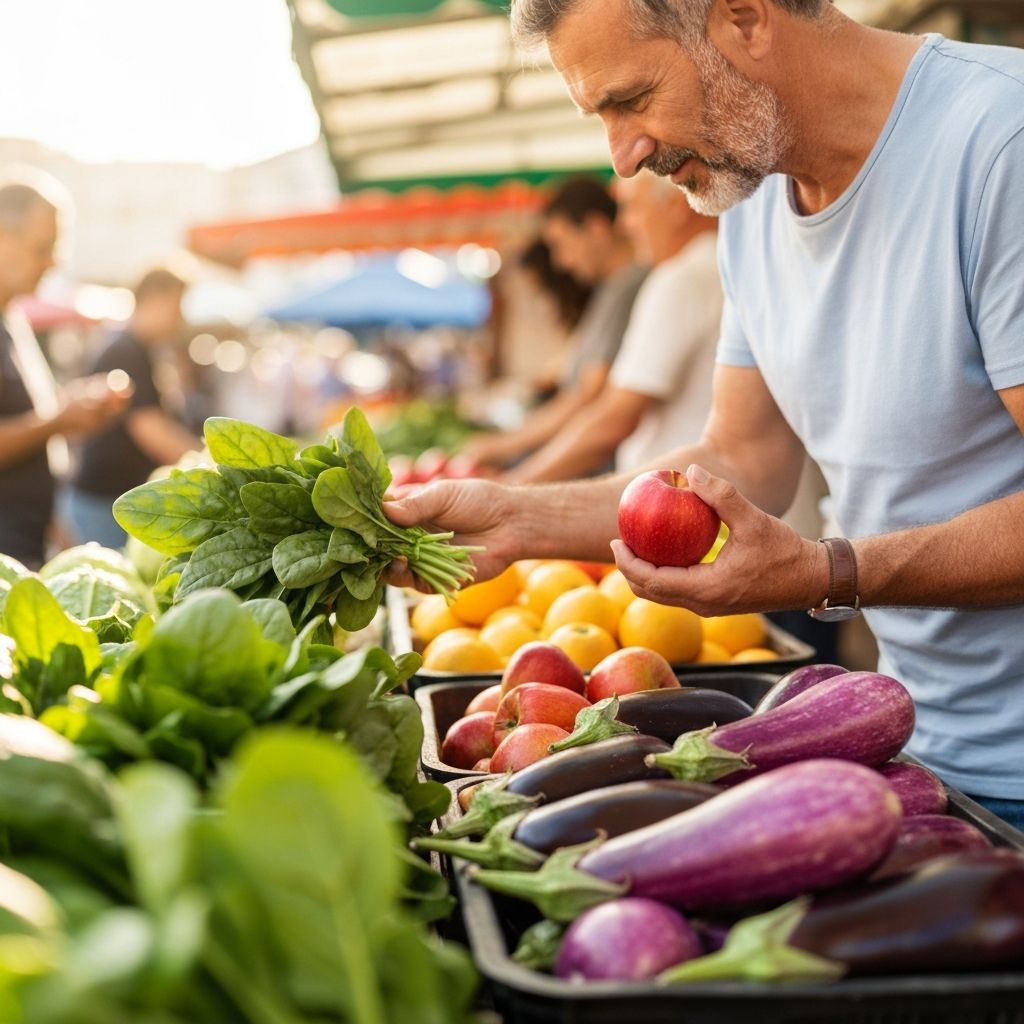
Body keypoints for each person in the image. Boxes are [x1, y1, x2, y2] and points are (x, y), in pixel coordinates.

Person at [386, 0, 1024, 828]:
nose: (622, 157)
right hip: (914, 752)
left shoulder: (999, 147)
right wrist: (518, 516)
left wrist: (828, 572)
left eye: (631, 99)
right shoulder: (752, 207)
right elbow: (742, 456)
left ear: (745, 18)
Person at [503, 171, 720, 483]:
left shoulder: (682, 279)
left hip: (688, 503)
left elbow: (615, 416)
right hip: (690, 497)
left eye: (632, 208)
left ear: (675, 206)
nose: (624, 224)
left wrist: (514, 485)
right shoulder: (710, 267)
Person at [459, 176, 647, 470]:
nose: (560, 262)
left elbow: (588, 396)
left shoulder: (629, 285)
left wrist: (513, 461)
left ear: (596, 227)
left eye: (562, 244)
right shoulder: (610, 289)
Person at [0, 176, 128, 569]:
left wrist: (61, 535)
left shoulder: (14, 319)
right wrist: (60, 418)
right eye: (43, 247)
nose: (53, 261)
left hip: (26, 550)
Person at [65, 267, 200, 548]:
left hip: (111, 500)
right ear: (156, 299)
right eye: (178, 306)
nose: (181, 318)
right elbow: (149, 428)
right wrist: (205, 465)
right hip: (104, 503)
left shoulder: (134, 347)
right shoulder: (126, 350)